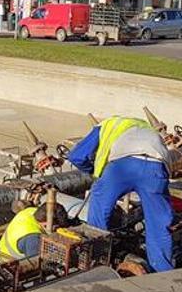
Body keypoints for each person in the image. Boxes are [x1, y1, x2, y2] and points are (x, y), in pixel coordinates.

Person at [67, 116, 174, 272]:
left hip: (123, 166)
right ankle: (163, 272)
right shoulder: (143, 126)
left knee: (99, 202)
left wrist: (94, 171)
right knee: (158, 223)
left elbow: (76, 156)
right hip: (157, 167)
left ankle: (97, 260)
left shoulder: (105, 125)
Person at [0, 203, 69, 259]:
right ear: (46, 224)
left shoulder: (30, 211)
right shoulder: (33, 238)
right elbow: (35, 264)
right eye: (56, 227)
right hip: (8, 267)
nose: (56, 230)